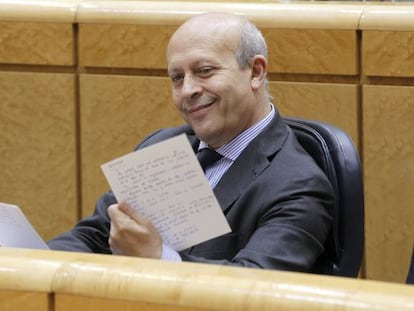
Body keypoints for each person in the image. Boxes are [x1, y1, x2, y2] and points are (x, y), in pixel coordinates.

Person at [48, 12, 335, 273]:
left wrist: (159, 259)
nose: (187, 90)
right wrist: (27, 262)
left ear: (256, 72)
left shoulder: (300, 186)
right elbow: (95, 235)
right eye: (177, 78)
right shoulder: (161, 147)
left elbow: (257, 286)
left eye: (205, 71)